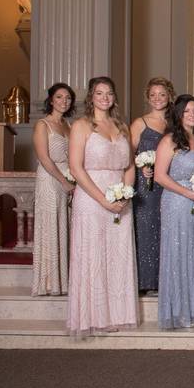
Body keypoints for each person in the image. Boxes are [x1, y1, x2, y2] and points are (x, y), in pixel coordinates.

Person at [66, 77, 138, 336]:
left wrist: (125, 195)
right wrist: (103, 199)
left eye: (109, 93)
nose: (104, 97)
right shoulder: (82, 125)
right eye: (99, 93)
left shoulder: (122, 126)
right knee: (94, 255)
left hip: (119, 198)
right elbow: (76, 167)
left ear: (114, 97)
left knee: (117, 255)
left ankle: (117, 314)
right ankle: (93, 317)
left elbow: (129, 166)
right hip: (92, 197)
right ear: (91, 97)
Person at [154, 95, 194, 330]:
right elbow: (160, 176)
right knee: (178, 253)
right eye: (187, 111)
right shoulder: (170, 140)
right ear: (178, 114)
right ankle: (178, 312)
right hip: (178, 203)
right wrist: (187, 193)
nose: (192, 115)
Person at [130, 77, 174, 294]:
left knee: (166, 229)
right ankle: (145, 281)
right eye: (153, 94)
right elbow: (127, 155)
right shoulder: (140, 123)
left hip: (169, 184)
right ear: (148, 97)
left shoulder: (174, 123)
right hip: (146, 186)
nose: (158, 98)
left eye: (162, 94)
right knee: (147, 229)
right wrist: (141, 169)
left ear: (169, 96)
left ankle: (163, 279)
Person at [31, 83, 75, 296]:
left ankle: (63, 281)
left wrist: (72, 180)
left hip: (68, 177)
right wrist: (63, 181)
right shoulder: (43, 124)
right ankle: (49, 282)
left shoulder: (68, 125)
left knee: (64, 226)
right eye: (59, 97)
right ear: (51, 100)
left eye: (68, 98)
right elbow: (44, 158)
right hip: (49, 179)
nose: (64, 101)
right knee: (50, 225)